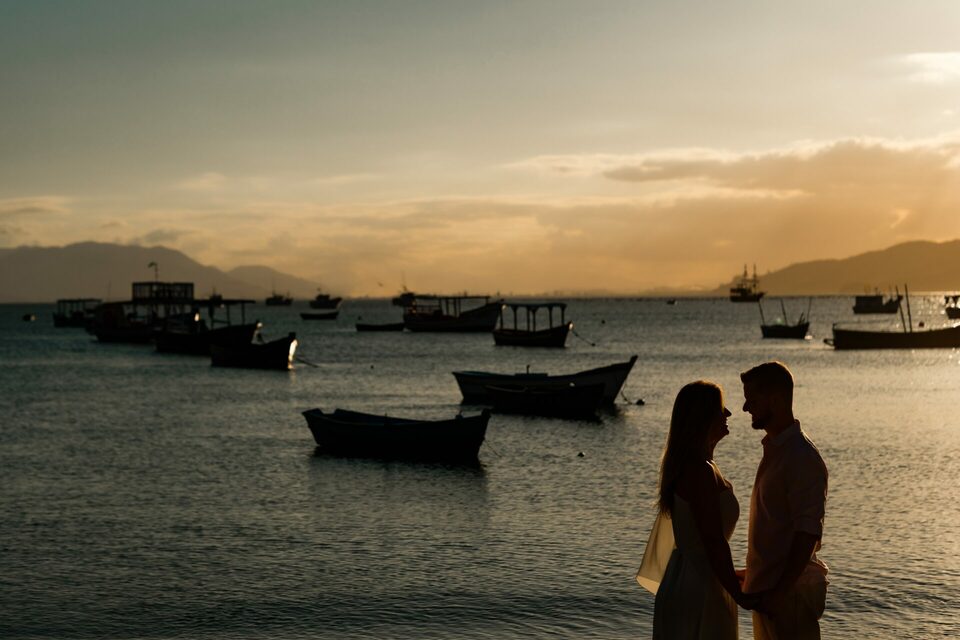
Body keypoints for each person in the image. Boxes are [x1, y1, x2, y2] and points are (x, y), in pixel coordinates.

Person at [638, 381, 757, 639]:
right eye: (721, 408)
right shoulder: (699, 471)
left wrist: (732, 575)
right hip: (699, 586)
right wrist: (740, 597)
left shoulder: (702, 466)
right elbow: (712, 541)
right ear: (702, 417)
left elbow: (702, 541)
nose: (728, 414)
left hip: (695, 577)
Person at [740, 362, 828, 640]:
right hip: (768, 593)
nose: (745, 408)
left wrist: (779, 593)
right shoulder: (776, 451)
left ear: (775, 400)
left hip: (789, 596)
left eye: (752, 400)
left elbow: (808, 533)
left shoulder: (801, 458)